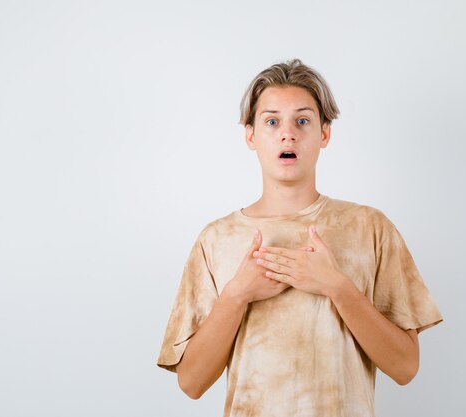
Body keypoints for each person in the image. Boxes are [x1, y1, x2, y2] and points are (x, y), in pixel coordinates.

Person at [157, 59, 443, 417]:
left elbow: (405, 367)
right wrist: (238, 294)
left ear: (324, 133)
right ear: (251, 135)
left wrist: (337, 286)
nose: (287, 133)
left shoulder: (369, 228)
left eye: (303, 121)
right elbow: (191, 383)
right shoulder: (216, 239)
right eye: (272, 121)